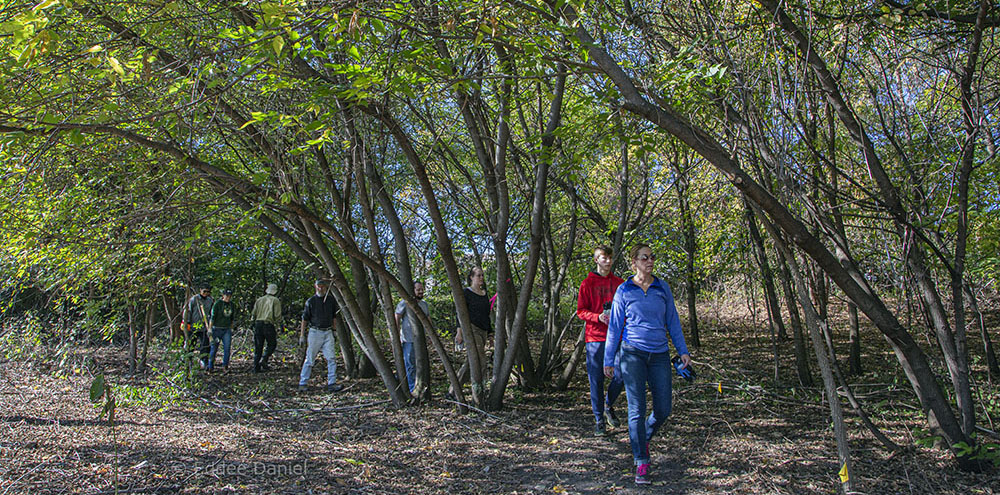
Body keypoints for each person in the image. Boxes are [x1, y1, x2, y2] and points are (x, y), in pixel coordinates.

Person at [604, 243, 692, 485]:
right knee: (636, 409)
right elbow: (615, 327)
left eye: (652, 257)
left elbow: (673, 321)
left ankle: (644, 435)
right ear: (634, 262)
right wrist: (609, 359)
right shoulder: (624, 290)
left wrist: (682, 351)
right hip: (633, 354)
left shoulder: (662, 288)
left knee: (664, 408)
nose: (650, 261)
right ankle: (641, 460)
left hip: (660, 355)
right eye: (645, 258)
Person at [576, 245, 625, 436]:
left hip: (618, 337)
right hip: (595, 337)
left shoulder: (620, 283)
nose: (607, 261)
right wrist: (597, 317)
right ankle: (599, 420)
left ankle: (608, 405)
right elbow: (581, 311)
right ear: (596, 260)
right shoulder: (587, 284)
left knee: (620, 375)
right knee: (596, 380)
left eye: (610, 257)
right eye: (603, 257)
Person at [298, 279, 342, 393]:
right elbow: (305, 318)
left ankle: (332, 383)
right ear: (315, 287)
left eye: (323, 286)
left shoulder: (331, 300)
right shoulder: (311, 301)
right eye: (319, 286)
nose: (321, 288)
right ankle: (303, 383)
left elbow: (334, 317)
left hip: (328, 332)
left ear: (326, 287)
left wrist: (334, 330)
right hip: (315, 332)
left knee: (331, 358)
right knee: (310, 358)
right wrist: (302, 335)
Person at [453, 267, 491, 395]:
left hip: (483, 331)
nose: (481, 278)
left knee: (471, 362)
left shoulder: (485, 293)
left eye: (482, 275)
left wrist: (490, 334)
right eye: (478, 275)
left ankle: (453, 391)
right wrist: (459, 332)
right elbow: (460, 314)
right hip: (472, 329)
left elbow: (487, 314)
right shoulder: (466, 293)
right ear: (471, 277)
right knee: (481, 361)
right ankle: (481, 390)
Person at [395, 281, 429, 393]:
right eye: (418, 289)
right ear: (412, 290)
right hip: (408, 339)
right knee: (410, 365)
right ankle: (411, 389)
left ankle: (420, 387)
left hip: (421, 340)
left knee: (420, 364)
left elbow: (428, 320)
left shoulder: (424, 304)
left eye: (421, 289)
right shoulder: (404, 303)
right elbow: (397, 317)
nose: (420, 291)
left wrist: (431, 335)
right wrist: (395, 334)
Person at [250, 283, 283, 373]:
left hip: (258, 324)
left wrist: (252, 322)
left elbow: (254, 313)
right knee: (272, 344)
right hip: (268, 325)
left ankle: (256, 368)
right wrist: (280, 324)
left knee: (258, 346)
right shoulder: (275, 300)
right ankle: (264, 359)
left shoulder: (259, 300)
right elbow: (277, 315)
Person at [181, 284, 213, 368]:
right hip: (193, 326)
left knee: (205, 345)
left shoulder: (210, 301)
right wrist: (186, 322)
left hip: (204, 327)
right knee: (190, 344)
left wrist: (210, 325)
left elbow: (211, 313)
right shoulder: (194, 299)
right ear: (200, 290)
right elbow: (187, 311)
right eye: (204, 291)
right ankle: (187, 360)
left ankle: (203, 361)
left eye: (208, 292)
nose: (206, 293)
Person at [207, 289, 236, 372]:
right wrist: (210, 328)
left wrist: (231, 327)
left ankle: (225, 366)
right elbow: (213, 317)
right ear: (223, 296)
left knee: (227, 348)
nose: (228, 297)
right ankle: (210, 366)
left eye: (229, 296)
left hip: (226, 329)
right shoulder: (218, 304)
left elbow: (231, 318)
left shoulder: (232, 305)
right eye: (226, 295)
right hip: (216, 329)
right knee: (214, 348)